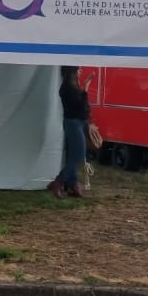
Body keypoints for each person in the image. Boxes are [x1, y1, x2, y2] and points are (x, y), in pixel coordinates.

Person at [50, 66, 90, 198]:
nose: (80, 71)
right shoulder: (68, 88)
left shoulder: (71, 86)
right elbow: (81, 106)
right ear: (72, 72)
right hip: (73, 123)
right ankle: (59, 181)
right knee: (78, 154)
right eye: (78, 69)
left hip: (75, 123)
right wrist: (86, 89)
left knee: (73, 154)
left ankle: (72, 184)